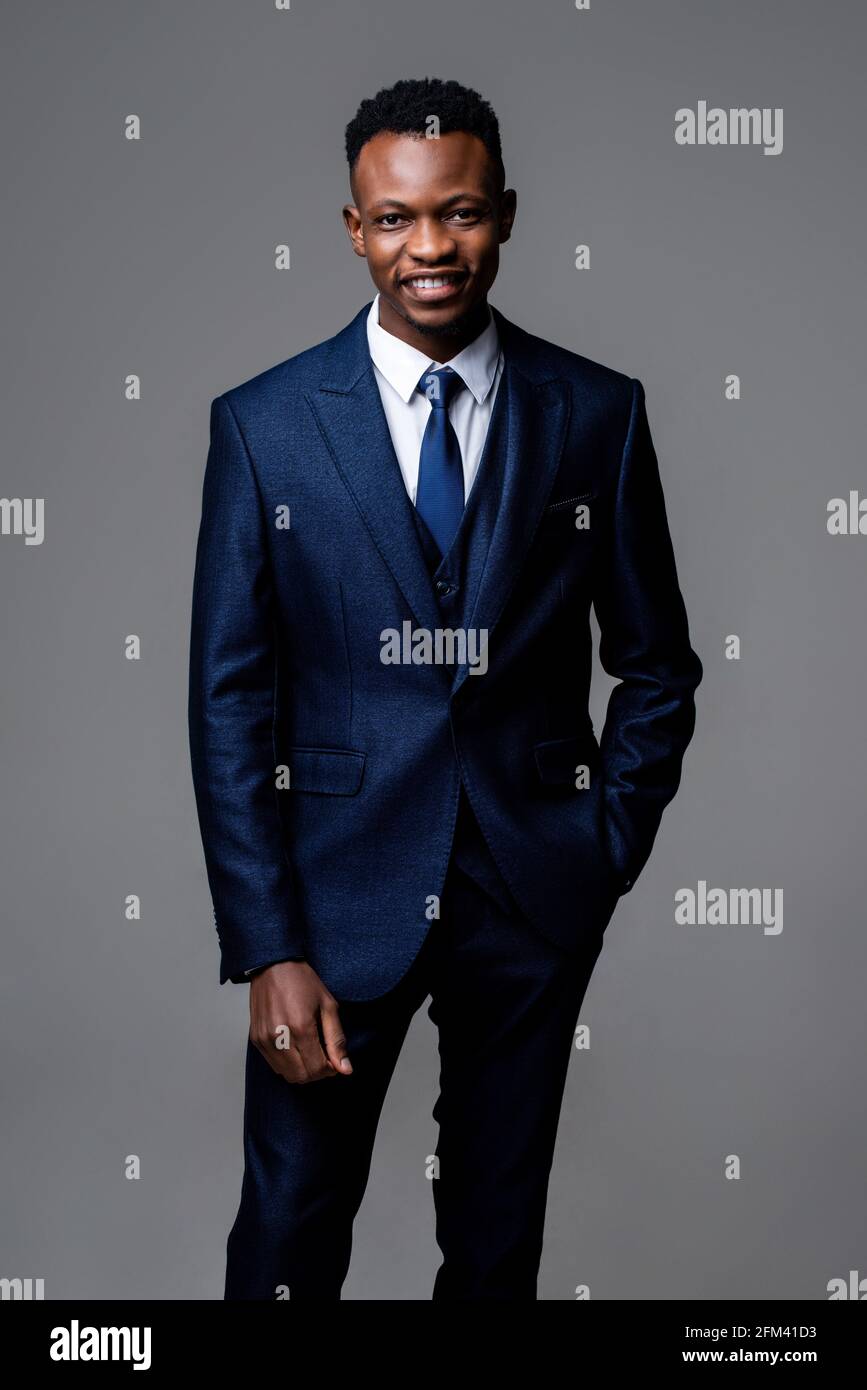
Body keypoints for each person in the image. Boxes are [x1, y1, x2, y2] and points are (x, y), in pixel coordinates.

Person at [188, 76, 703, 1300]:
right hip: (330, 903)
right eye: (396, 219)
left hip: (529, 889)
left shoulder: (596, 413)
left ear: (506, 216)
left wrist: (603, 841)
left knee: (494, 1237)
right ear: (355, 228)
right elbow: (227, 700)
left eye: (460, 213)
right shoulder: (263, 426)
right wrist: (267, 943)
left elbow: (658, 663)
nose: (431, 247)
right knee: (290, 1230)